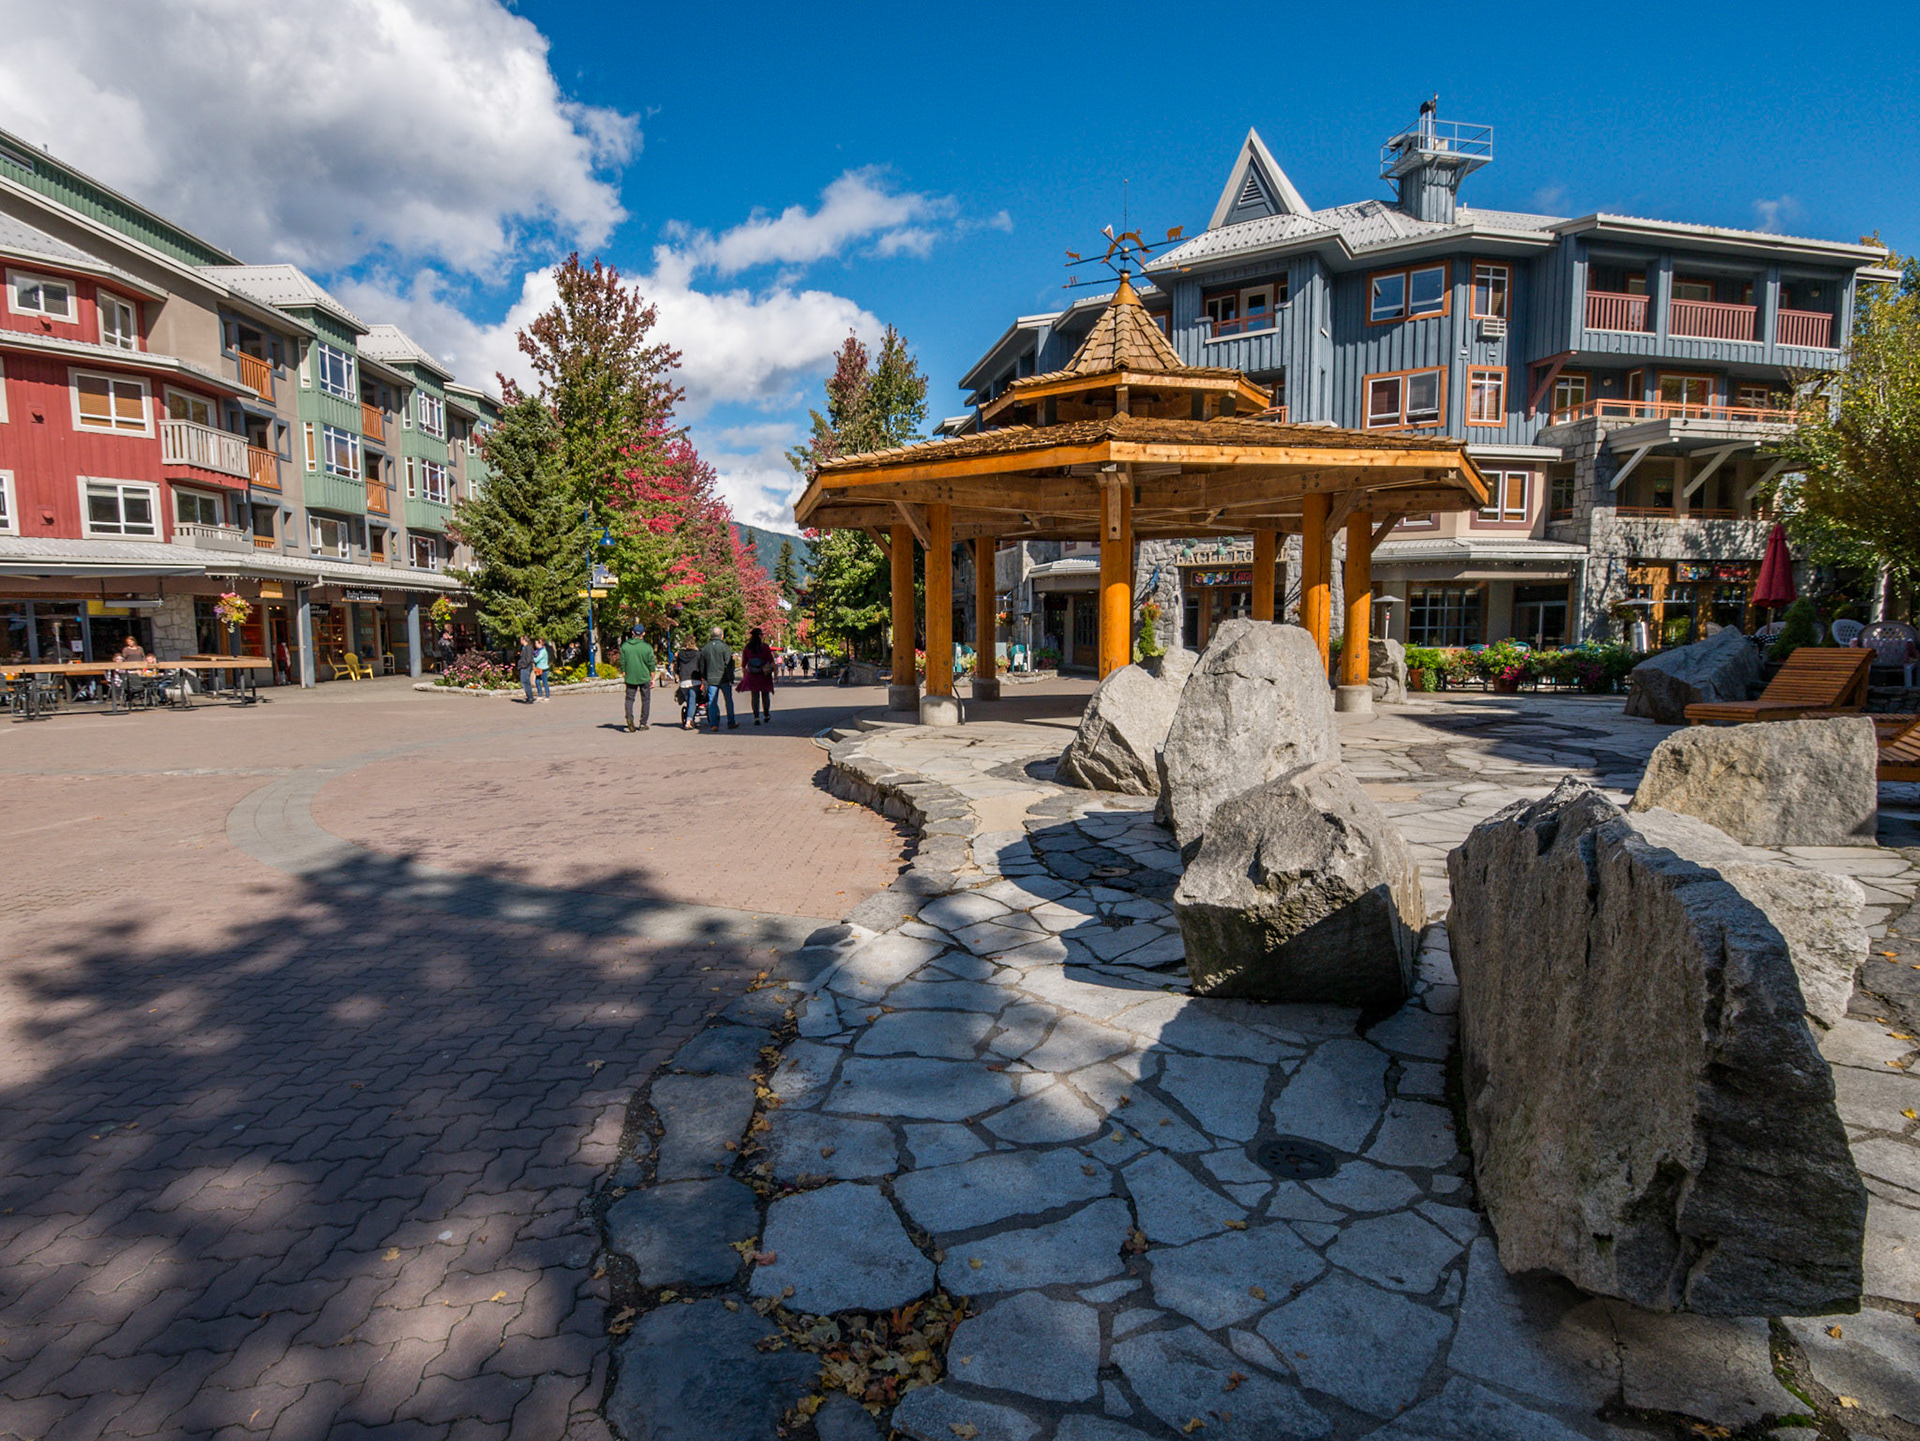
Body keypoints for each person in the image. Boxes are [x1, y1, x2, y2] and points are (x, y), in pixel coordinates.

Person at [619, 625, 655, 732]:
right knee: (646, 700)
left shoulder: (625, 646)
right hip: (644, 676)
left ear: (633, 633)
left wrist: (624, 671)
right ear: (643, 634)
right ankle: (643, 723)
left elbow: (622, 661)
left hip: (631, 676)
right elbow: (651, 663)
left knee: (629, 699)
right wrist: (652, 677)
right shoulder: (647, 647)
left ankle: (629, 717)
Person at [700, 626, 737, 731]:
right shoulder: (725, 647)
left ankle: (714, 724)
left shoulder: (705, 648)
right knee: (728, 700)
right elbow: (729, 664)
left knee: (712, 701)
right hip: (724, 678)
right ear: (722, 636)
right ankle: (731, 722)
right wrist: (731, 678)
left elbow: (702, 665)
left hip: (711, 678)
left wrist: (704, 676)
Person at [738, 626, 776, 725]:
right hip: (764, 674)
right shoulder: (765, 647)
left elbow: (743, 664)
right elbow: (771, 662)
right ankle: (766, 714)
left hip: (752, 674)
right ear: (759, 636)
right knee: (765, 694)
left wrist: (744, 676)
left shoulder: (747, 647)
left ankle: (756, 717)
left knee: (754, 696)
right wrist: (775, 674)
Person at [673, 638, 702, 729]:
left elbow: (676, 668)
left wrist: (678, 674)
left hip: (684, 681)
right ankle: (689, 721)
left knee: (689, 701)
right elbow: (701, 666)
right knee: (692, 701)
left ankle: (690, 719)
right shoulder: (698, 654)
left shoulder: (680, 654)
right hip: (695, 680)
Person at [517, 634, 537, 703]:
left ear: (524, 640)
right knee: (525, 682)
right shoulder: (524, 647)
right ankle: (529, 696)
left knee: (525, 682)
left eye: (521, 639)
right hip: (524, 667)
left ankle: (530, 697)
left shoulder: (528, 648)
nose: (520, 641)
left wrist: (523, 665)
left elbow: (528, 659)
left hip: (526, 667)